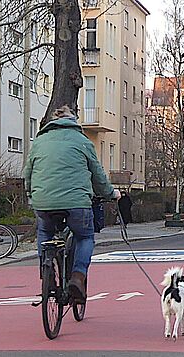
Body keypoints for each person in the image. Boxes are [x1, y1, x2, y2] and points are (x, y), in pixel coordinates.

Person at [23, 105, 117, 300]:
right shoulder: (82, 141)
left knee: (45, 231)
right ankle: (77, 276)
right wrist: (110, 193)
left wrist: (31, 193)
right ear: (73, 121)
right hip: (76, 203)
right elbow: (97, 174)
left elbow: (28, 172)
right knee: (84, 237)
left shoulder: (39, 141)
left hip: (44, 201)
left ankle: (46, 273)